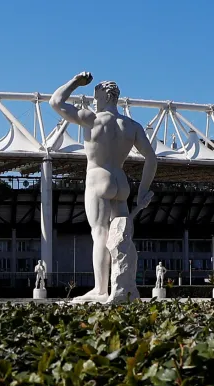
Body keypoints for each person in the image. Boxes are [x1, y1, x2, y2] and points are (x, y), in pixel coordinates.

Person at [50, 72, 158, 302]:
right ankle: (124, 288)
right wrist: (142, 191)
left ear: (105, 96)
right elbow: (151, 158)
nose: (93, 99)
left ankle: (100, 291)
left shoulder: (93, 119)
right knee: (122, 237)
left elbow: (55, 101)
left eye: (95, 94)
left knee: (100, 234)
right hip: (121, 182)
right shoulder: (131, 126)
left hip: (99, 178)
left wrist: (75, 82)